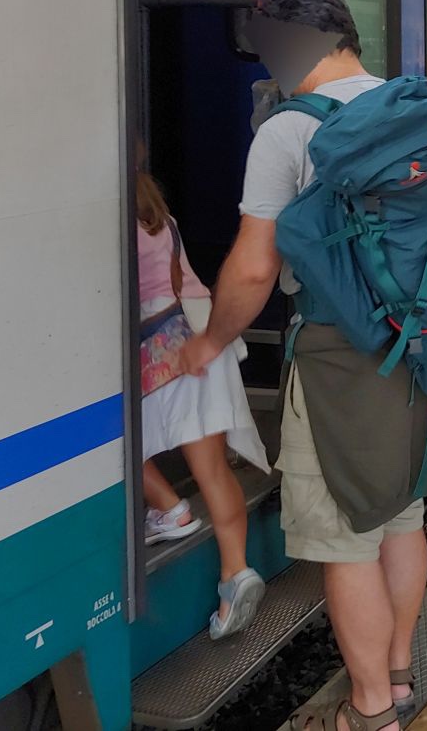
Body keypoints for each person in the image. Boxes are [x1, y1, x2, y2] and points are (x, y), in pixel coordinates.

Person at [177, 0, 427, 731]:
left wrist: (210, 340)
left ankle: (368, 709)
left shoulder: (287, 128)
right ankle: (396, 675)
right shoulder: (414, 105)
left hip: (340, 357)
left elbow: (253, 266)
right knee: (401, 521)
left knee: (344, 541)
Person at [136, 154, 270, 641]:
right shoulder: (160, 217)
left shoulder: (108, 225)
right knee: (212, 470)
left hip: (159, 353)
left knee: (111, 449)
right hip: (198, 333)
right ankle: (236, 573)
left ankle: (170, 508)